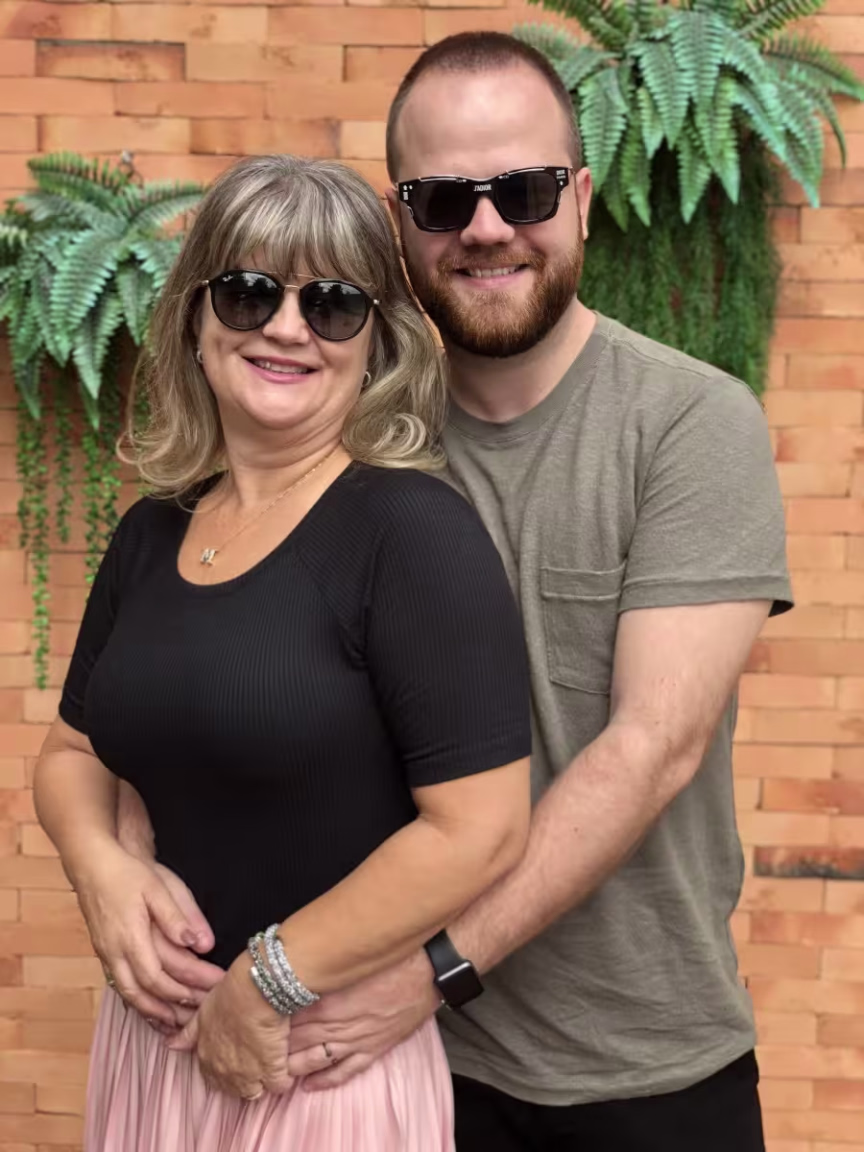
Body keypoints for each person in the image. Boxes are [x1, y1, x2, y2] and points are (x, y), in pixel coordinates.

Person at [108, 31, 793, 1152]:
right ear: (401, 224)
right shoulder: (346, 440)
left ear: (581, 201)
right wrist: (120, 861)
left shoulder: (686, 422)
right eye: (443, 199)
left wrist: (431, 971)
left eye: (524, 191)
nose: (485, 227)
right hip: (389, 1070)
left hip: (634, 1063)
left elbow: (651, 748)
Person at [32, 153, 533, 1152]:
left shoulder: (411, 533)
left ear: (375, 341)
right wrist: (102, 872)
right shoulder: (152, 531)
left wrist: (269, 981)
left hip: (309, 1070)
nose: (288, 328)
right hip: (150, 1054)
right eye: (250, 291)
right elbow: (72, 753)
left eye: (333, 304)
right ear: (197, 316)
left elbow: (480, 830)